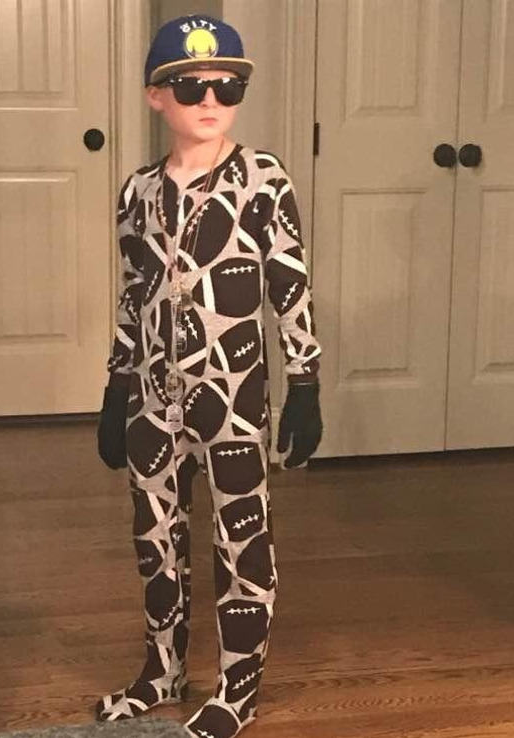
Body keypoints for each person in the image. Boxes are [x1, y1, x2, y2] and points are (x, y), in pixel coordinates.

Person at [95, 14, 323, 738]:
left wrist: (305, 382)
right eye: (191, 86)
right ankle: (162, 669)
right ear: (156, 95)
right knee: (155, 535)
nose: (211, 99)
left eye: (229, 86)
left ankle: (237, 688)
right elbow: (133, 294)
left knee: (241, 538)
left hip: (234, 396)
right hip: (151, 396)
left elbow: (290, 285)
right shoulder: (136, 192)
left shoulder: (263, 179)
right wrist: (116, 388)